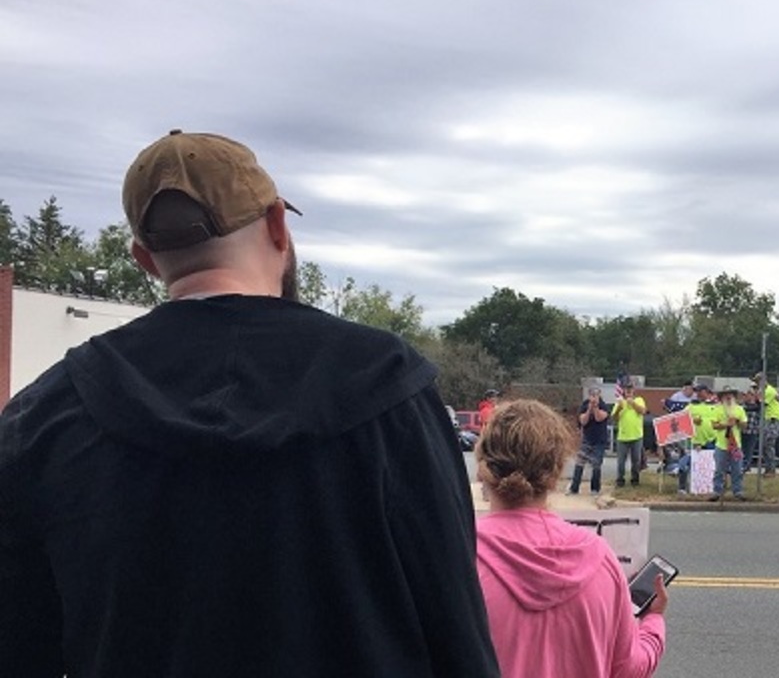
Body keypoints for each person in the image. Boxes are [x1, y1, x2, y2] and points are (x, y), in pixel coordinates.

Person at [0, 130, 499, 677]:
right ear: (278, 224)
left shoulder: (43, 419)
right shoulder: (391, 389)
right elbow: (455, 627)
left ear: (144, 259)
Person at [474, 400, 667, 677]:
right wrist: (654, 620)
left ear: (483, 467)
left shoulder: (456, 560)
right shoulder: (602, 560)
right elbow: (629, 668)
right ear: (556, 470)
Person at [569, 387, 611, 496]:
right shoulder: (584, 405)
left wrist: (595, 408)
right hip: (587, 440)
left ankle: (595, 489)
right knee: (579, 463)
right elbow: (583, 421)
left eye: (596, 395)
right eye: (592, 395)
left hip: (600, 441)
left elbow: (599, 418)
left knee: (596, 465)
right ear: (589, 395)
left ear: (599, 396)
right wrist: (589, 410)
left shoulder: (603, 405)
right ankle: (574, 488)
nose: (593, 398)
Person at [709, 387, 747, 502]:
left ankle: (738, 491)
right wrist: (726, 424)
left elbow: (744, 426)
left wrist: (737, 422)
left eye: (730, 395)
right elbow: (714, 425)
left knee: (737, 469)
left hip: (736, 445)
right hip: (721, 444)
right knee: (719, 469)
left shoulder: (739, 409)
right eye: (726, 395)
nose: (728, 397)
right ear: (721, 397)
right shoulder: (717, 409)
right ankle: (717, 491)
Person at [611, 382, 648, 488]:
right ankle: (620, 480)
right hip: (622, 437)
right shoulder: (619, 401)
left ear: (633, 390)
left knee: (636, 460)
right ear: (624, 391)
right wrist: (619, 407)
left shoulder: (639, 400)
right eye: (627, 389)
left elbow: (643, 411)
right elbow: (614, 418)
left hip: (637, 436)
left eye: (630, 389)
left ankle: (635, 480)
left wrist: (633, 404)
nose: (629, 391)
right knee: (621, 461)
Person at [752, 372, 779, 477]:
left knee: (768, 444)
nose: (757, 384)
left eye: (758, 381)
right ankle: (768, 468)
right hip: (767, 419)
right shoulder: (764, 391)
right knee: (764, 445)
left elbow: (762, 404)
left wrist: (756, 397)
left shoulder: (769, 391)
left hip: (772, 419)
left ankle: (771, 469)